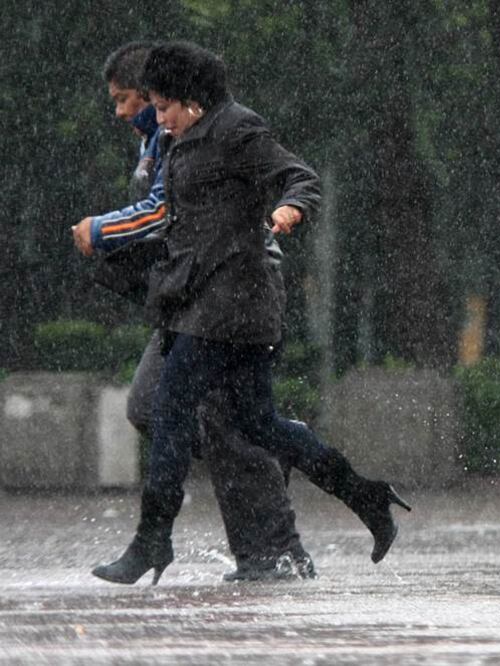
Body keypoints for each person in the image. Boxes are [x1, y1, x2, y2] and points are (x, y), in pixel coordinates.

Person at [91, 41, 410, 586]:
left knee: (172, 409)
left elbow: (299, 176)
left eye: (162, 106)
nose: (157, 118)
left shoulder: (237, 128)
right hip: (202, 300)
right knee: (256, 424)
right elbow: (174, 216)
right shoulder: (178, 140)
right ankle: (366, 496)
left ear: (190, 98)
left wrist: (289, 208)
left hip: (232, 303)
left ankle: (152, 541)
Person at [73, 42, 316, 581]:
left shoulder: (208, 135)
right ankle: (276, 443)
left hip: (230, 293)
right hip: (186, 295)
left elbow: (163, 212)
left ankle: (276, 554)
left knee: (221, 420)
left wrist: (102, 230)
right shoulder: (161, 141)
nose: (122, 111)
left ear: (163, 97)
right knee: (151, 407)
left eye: (129, 99)